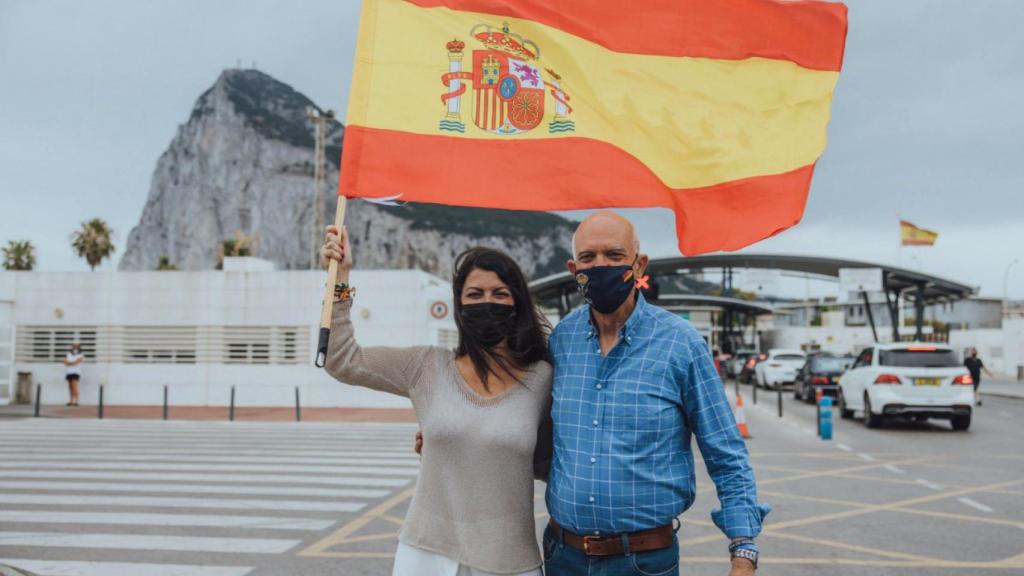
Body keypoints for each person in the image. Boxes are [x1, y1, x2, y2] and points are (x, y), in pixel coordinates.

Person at [542, 211, 768, 576]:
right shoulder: (562, 340)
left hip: (643, 562)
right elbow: (524, 412)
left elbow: (726, 453)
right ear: (573, 268)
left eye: (614, 255)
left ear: (639, 263)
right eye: (588, 258)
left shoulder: (681, 344)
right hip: (562, 557)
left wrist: (743, 550)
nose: (600, 266)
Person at [320, 225, 553, 576]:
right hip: (427, 554)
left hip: (511, 561)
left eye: (500, 293)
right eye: (474, 294)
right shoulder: (426, 367)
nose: (486, 302)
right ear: (459, 304)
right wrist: (340, 279)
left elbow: (550, 462)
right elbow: (343, 360)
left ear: (517, 302)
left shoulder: (543, 378)